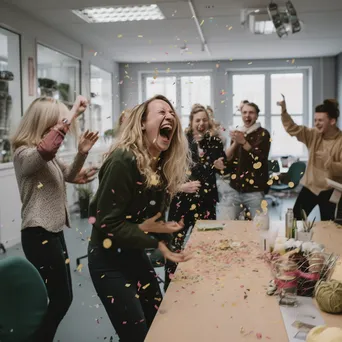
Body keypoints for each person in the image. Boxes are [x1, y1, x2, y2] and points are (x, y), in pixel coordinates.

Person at [87, 95, 191, 342]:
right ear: (142, 123)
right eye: (161, 112)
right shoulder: (123, 159)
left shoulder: (160, 166)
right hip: (108, 261)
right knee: (135, 335)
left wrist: (175, 250)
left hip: (133, 255)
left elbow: (154, 222)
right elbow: (106, 222)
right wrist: (153, 240)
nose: (170, 116)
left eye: (172, 113)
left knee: (157, 323)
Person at [11, 96, 99, 342]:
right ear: (43, 123)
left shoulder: (44, 155)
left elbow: (68, 173)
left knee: (64, 297)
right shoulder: (23, 154)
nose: (61, 128)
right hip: (38, 234)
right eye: (56, 123)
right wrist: (72, 113)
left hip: (53, 232)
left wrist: (82, 153)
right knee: (60, 299)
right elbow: (48, 149)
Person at [164, 104, 228, 289]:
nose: (201, 123)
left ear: (209, 122)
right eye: (197, 120)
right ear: (191, 122)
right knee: (174, 245)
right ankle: (169, 286)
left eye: (204, 120)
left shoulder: (215, 142)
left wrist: (222, 167)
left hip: (206, 201)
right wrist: (181, 186)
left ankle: (206, 285)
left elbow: (223, 166)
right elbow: (169, 169)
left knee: (207, 245)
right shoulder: (180, 142)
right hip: (182, 201)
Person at [279, 97, 342, 220]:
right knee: (295, 221)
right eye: (315, 120)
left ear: (332, 121)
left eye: (320, 120)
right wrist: (284, 111)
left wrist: (329, 162)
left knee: (328, 226)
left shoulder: (340, 141)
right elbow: (293, 128)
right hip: (310, 186)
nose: (316, 123)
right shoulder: (314, 134)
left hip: (331, 191)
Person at [215, 101, 271, 220]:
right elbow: (232, 164)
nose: (247, 115)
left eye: (251, 112)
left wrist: (244, 142)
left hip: (254, 191)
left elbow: (259, 161)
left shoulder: (263, 134)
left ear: (256, 116)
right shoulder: (238, 134)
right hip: (234, 189)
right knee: (225, 225)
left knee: (260, 228)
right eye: (244, 112)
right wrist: (221, 165)